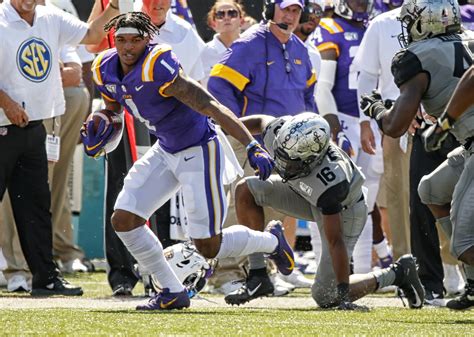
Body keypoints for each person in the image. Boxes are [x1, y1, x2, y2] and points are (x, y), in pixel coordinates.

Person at [82, 12, 293, 311]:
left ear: (148, 40)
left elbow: (212, 107)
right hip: (165, 148)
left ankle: (271, 241)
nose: (127, 47)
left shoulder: (158, 66)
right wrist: (102, 121)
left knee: (208, 245)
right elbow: (114, 107)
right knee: (124, 220)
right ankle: (171, 290)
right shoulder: (104, 68)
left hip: (199, 148)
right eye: (121, 40)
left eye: (135, 39)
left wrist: (251, 144)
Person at [235, 112, 425, 309]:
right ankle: (258, 275)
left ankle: (397, 273)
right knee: (246, 190)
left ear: (313, 159)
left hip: (345, 210)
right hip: (305, 191)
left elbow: (336, 242)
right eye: (281, 155)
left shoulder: (332, 180)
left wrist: (343, 296)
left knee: (326, 296)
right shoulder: (281, 132)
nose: (283, 164)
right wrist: (226, 130)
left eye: (291, 161)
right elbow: (259, 121)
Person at [0, 0, 121, 296]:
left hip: (35, 125)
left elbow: (93, 34)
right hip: (3, 125)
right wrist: (7, 103)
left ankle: (45, 278)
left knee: (37, 206)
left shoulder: (50, 15)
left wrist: (115, 5)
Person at [361, 0, 474, 310]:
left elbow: (396, 126)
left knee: (465, 244)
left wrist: (376, 108)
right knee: (430, 189)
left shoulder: (417, 57)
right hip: (467, 143)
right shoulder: (469, 39)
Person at [207, 0, 317, 302]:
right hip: (251, 141)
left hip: (287, 143)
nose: (290, 16)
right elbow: (217, 86)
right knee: (238, 204)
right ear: (271, 10)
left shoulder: (299, 49)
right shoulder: (249, 45)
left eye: (295, 11)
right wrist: (238, 128)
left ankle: (261, 273)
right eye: (285, 9)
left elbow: (308, 96)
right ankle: (228, 273)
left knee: (274, 210)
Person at [313, 0, 379, 274]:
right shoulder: (330, 28)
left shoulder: (375, 27)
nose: (361, 4)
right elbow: (323, 87)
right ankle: (324, 269)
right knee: (329, 198)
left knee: (367, 199)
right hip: (343, 119)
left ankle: (362, 271)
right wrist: (333, 125)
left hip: (373, 120)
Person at [201, 0, 246, 88]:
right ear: (213, 23)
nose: (226, 17)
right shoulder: (204, 53)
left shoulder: (253, 48)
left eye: (232, 13)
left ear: (241, 20)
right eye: (220, 15)